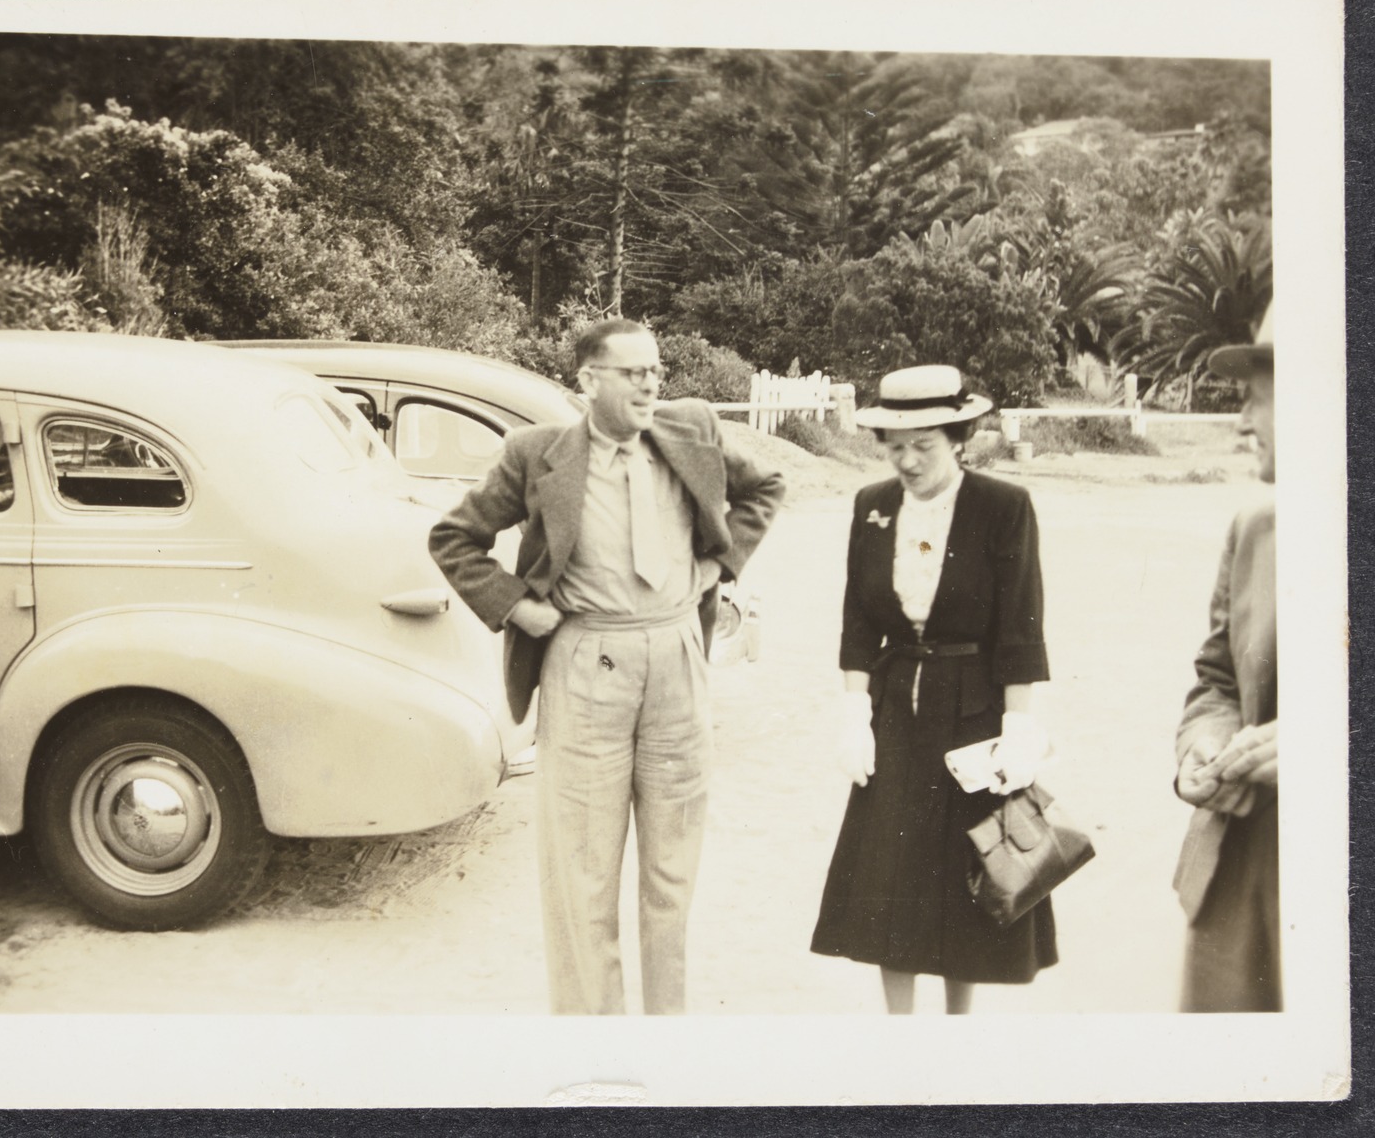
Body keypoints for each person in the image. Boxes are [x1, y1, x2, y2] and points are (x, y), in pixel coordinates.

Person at [429, 318, 785, 1014]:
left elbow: (765, 487)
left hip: (678, 658)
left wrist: (719, 565)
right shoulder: (536, 454)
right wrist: (515, 606)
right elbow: (454, 537)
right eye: (633, 373)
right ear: (589, 381)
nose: (651, 384)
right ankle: (593, 1036)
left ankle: (663, 1030)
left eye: (656, 371)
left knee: (672, 865)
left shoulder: (693, 429)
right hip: (586, 662)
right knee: (582, 867)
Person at [810, 364, 1054, 1014]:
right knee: (891, 876)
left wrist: (1018, 729)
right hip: (895, 711)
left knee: (964, 872)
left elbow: (1020, 626)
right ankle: (901, 1028)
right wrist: (854, 711)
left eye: (924, 445)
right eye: (895, 446)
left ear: (958, 438)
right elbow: (859, 622)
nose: (908, 461)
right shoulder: (872, 506)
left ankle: (956, 1027)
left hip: (974, 713)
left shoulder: (1002, 507)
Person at [1172, 304, 1279, 1012]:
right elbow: (1216, 680)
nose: (1243, 422)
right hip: (1236, 884)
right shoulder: (1254, 528)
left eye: (1257, 399)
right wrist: (1204, 748)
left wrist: (1326, 747)